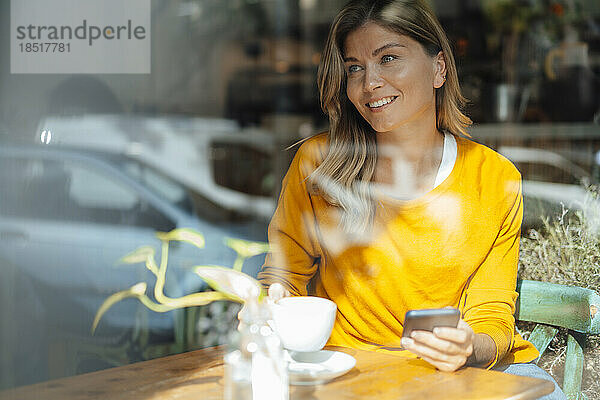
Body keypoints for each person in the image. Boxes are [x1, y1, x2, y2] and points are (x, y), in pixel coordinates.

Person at [257, 1, 566, 398]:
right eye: (355, 67)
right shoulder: (319, 166)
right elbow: (283, 277)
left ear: (439, 69)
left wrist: (469, 345)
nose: (370, 83)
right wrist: (273, 303)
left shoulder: (494, 178)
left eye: (389, 58)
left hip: (454, 378)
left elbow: (491, 317)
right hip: (351, 373)